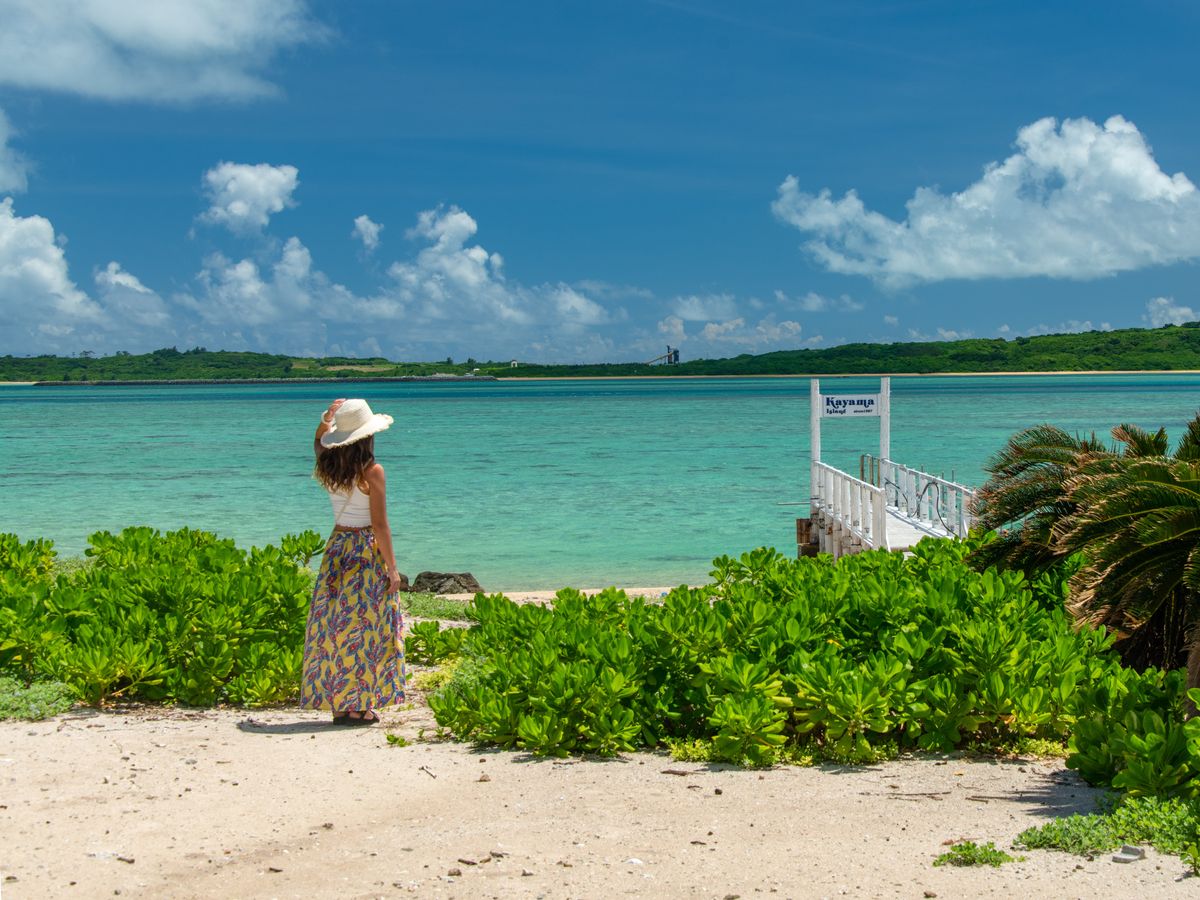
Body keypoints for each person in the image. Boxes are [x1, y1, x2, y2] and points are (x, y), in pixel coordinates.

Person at [300, 397, 406, 725]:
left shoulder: (328, 463)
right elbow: (380, 524)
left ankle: (340, 703)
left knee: (337, 626)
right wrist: (392, 568)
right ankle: (358, 706)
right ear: (368, 435)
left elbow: (317, 441)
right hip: (363, 550)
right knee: (365, 626)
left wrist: (327, 418)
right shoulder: (372, 471)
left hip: (336, 548)